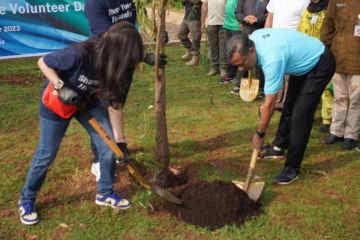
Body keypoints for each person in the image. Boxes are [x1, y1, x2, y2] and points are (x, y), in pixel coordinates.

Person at [18, 22, 160, 225]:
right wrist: (60, 87)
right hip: (57, 103)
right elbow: (44, 62)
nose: (131, 63)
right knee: (46, 154)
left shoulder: (120, 67)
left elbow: (115, 105)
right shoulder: (81, 53)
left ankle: (105, 193)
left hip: (87, 102)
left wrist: (120, 142)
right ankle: (26, 199)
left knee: (108, 147)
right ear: (117, 50)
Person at [227, 29, 335, 184]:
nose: (241, 68)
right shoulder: (254, 38)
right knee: (289, 107)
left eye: (242, 63)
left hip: (320, 63)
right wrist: (265, 107)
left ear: (251, 50)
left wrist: (259, 134)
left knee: (300, 116)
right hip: (301, 66)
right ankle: (278, 146)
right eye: (237, 65)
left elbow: (270, 104)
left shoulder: (272, 58)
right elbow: (268, 104)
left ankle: (292, 167)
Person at [84, 0, 167, 181]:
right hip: (106, 62)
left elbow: (132, 29)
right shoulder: (94, 4)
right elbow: (108, 37)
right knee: (102, 111)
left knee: (117, 103)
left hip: (125, 62)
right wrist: (142, 56)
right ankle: (98, 160)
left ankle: (119, 144)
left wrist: (158, 36)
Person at [321, 0, 360, 150]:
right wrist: (326, 48)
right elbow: (328, 26)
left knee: (355, 100)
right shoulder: (335, 1)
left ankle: (351, 135)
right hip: (338, 58)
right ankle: (336, 131)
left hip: (357, 61)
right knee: (340, 97)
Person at [265, 0, 310, 111]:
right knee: (276, 73)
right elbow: (270, 17)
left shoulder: (304, 1)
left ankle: (287, 102)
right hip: (275, 41)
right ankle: (276, 101)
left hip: (293, 42)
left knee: (289, 76)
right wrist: (265, 36)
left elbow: (305, 21)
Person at [297, 0, 332, 133]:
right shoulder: (307, 9)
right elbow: (301, 29)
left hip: (324, 53)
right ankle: (307, 114)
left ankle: (327, 119)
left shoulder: (329, 9)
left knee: (326, 89)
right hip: (307, 55)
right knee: (306, 87)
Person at [230, 0, 268, 94]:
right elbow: (238, 12)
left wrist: (257, 19)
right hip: (246, 31)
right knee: (243, 57)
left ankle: (261, 87)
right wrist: (245, 18)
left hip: (261, 31)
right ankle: (240, 84)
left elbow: (270, 14)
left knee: (260, 59)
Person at [201, 0, 228, 81]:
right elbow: (204, 6)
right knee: (213, 47)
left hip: (224, 23)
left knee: (223, 46)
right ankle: (214, 68)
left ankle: (223, 68)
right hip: (211, 23)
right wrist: (202, 22)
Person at [177, 0, 202, 66]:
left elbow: (201, 2)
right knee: (181, 34)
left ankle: (195, 56)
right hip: (187, 15)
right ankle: (190, 50)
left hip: (195, 16)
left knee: (195, 36)